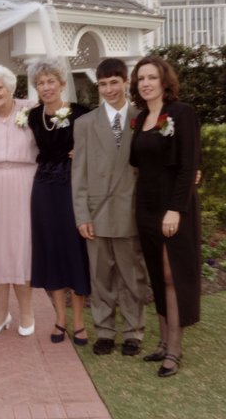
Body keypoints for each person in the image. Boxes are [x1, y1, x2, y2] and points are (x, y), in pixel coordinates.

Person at [71, 58, 149, 356]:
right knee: (100, 275)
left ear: (126, 82)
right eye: (102, 84)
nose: (109, 89)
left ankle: (133, 331)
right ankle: (104, 330)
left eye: (114, 82)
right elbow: (78, 174)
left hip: (131, 209)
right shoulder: (85, 124)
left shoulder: (143, 118)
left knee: (132, 275)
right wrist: (82, 215)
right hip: (97, 211)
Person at [129, 56, 201, 377]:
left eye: (152, 77)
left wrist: (175, 209)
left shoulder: (182, 113)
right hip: (146, 203)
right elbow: (136, 162)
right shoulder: (141, 117)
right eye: (141, 78)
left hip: (172, 204)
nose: (146, 83)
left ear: (164, 81)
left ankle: (174, 349)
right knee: (157, 273)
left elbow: (189, 165)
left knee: (172, 275)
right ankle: (161, 342)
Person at [27, 57, 91, 345]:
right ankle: (60, 319)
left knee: (74, 250)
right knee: (51, 249)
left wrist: (84, 152)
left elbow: (102, 142)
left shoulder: (82, 114)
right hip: (43, 188)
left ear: (62, 83)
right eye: (41, 83)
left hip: (71, 187)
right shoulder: (32, 116)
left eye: (51, 81)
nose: (46, 87)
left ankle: (79, 322)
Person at [0, 65, 37, 337]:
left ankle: (27, 312)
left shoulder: (31, 109)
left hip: (25, 183)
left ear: (10, 87)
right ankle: (0, 315)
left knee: (22, 248)